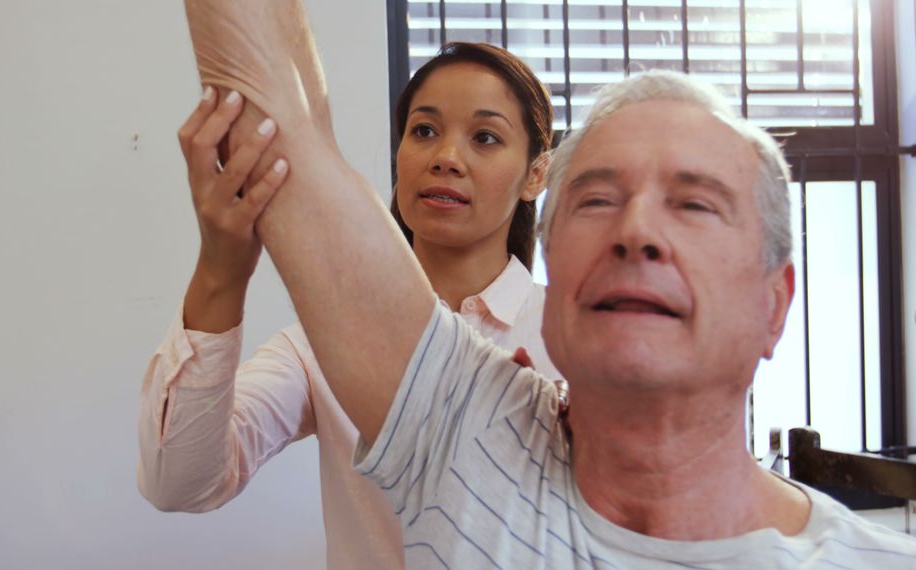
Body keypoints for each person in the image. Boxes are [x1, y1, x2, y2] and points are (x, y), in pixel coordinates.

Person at [178, 0, 916, 567]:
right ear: (557, 271)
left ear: (775, 303)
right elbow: (283, 118)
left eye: (694, 204)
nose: (637, 231)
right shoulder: (473, 436)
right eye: (596, 199)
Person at [137, 41, 564, 569]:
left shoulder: (578, 338)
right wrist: (221, 271)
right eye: (424, 131)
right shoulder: (323, 343)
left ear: (536, 174)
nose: (446, 159)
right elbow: (177, 481)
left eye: (485, 137)